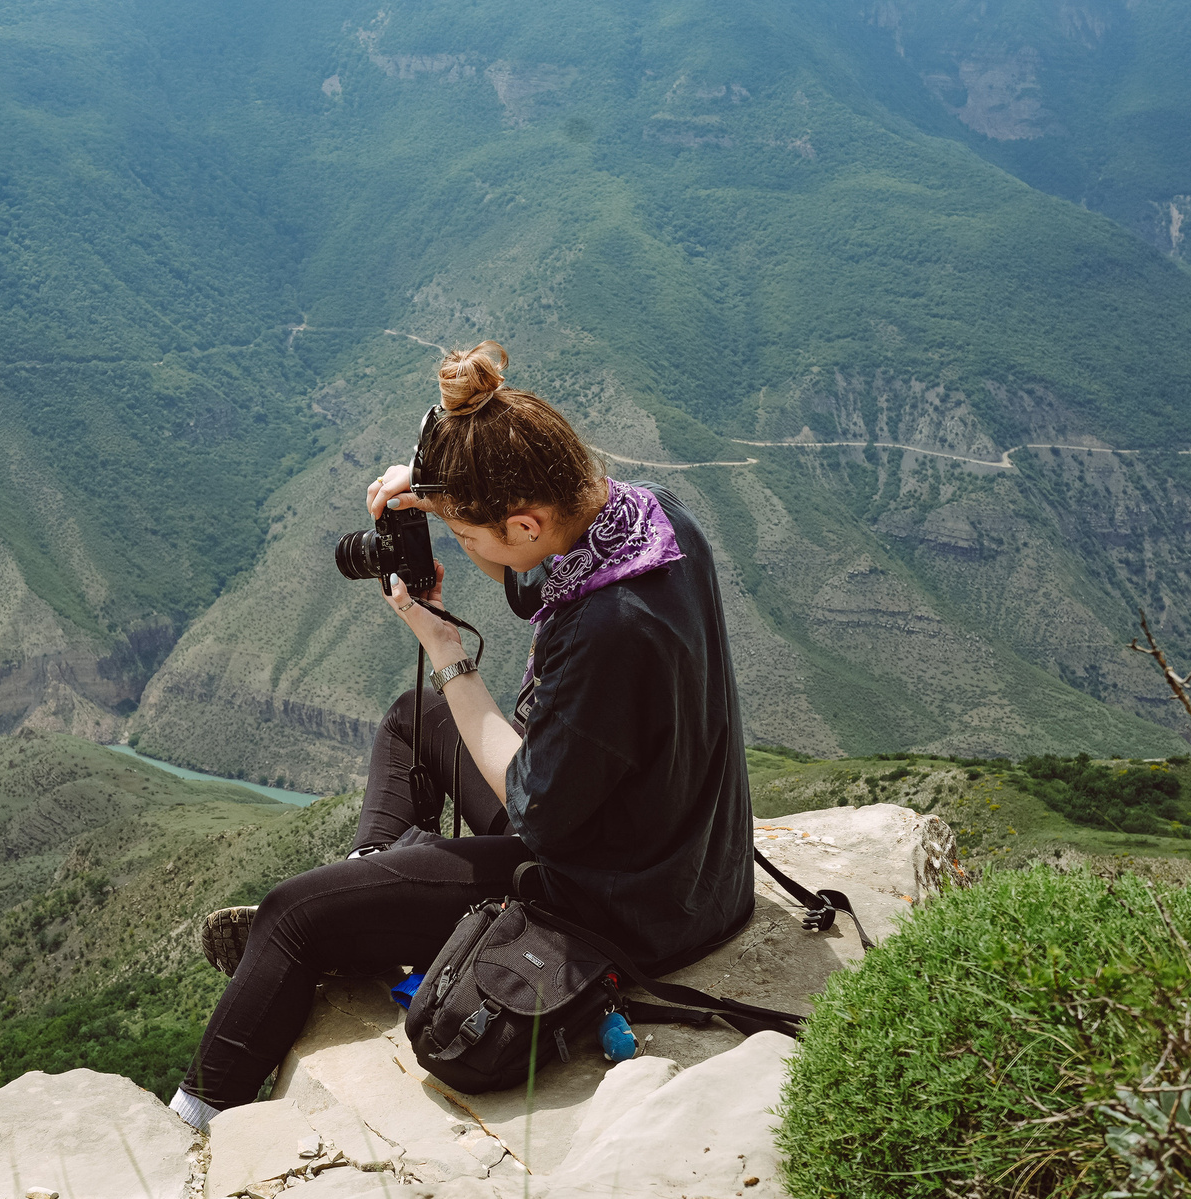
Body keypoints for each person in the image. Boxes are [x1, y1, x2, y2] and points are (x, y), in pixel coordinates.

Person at [165, 341, 756, 1128]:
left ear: (525, 518)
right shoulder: (652, 517)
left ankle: (194, 1123)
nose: (469, 552)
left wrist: (447, 652)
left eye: (473, 536)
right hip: (688, 852)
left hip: (625, 898)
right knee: (416, 723)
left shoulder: (605, 631)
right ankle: (375, 884)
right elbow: (532, 564)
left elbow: (535, 810)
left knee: (296, 914)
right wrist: (444, 492)